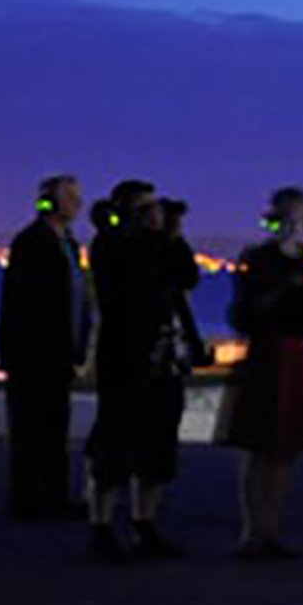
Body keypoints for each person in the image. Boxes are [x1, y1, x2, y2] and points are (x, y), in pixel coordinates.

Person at [219, 188, 303, 559]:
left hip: (298, 349)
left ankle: (270, 530)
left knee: (286, 449)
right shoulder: (260, 258)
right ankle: (252, 530)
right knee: (260, 446)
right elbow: (246, 311)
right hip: (271, 351)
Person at [82, 181, 191, 562]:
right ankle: (102, 524)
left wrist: (172, 236)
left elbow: (186, 277)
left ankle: (145, 521)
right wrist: (157, 238)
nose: (155, 214)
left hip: (163, 358)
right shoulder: (113, 244)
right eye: (146, 208)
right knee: (116, 439)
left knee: (158, 443)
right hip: (127, 357)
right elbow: (135, 288)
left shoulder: (160, 244)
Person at [0, 173, 93, 521]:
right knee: (30, 426)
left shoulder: (66, 242)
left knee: (53, 425)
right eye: (71, 197)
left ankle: (52, 494)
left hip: (58, 352)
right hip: (35, 353)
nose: (78, 204)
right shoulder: (33, 242)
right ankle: (27, 497)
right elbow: (24, 302)